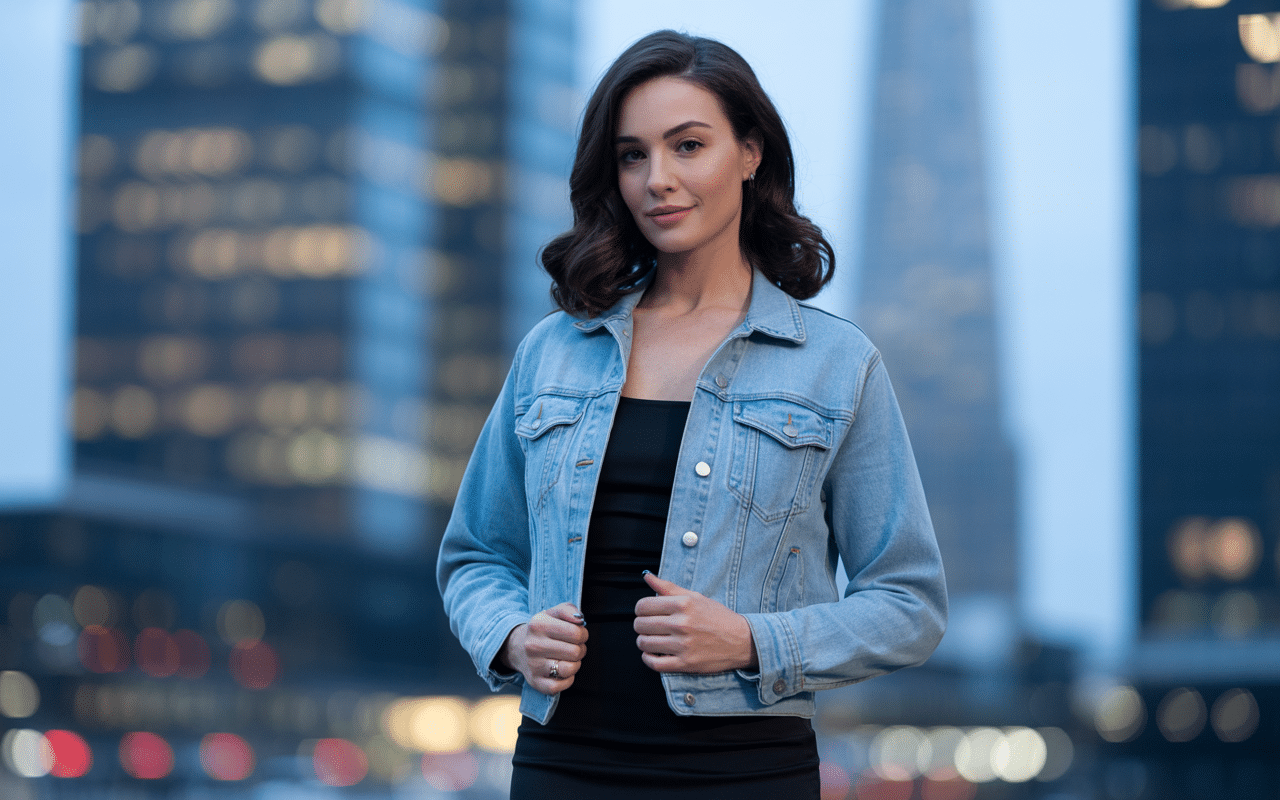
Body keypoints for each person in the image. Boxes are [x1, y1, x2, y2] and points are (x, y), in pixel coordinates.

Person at [437, 29, 946, 799]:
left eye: (688, 146)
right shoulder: (553, 352)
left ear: (750, 153)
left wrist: (752, 640)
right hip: (562, 767)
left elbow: (910, 603)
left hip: (746, 774)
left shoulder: (837, 364)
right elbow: (476, 555)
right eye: (632, 155)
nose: (658, 180)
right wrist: (510, 636)